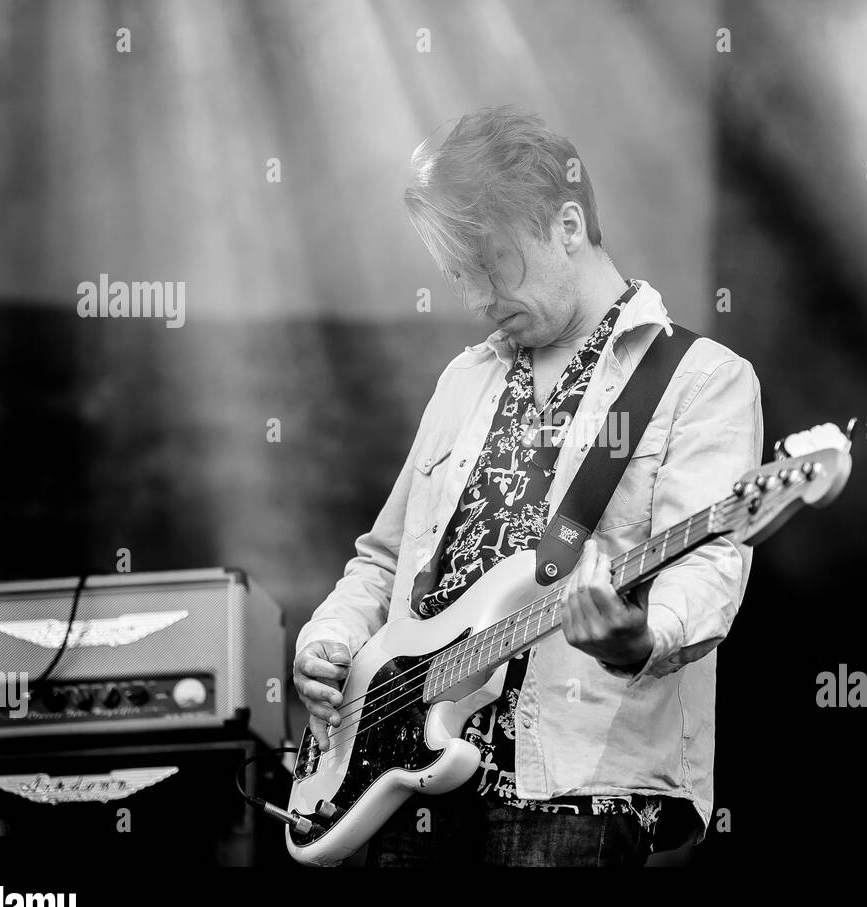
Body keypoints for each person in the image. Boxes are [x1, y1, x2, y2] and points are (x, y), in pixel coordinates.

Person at [293, 106, 762, 866]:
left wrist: (639, 636)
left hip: (569, 789)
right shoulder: (463, 381)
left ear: (566, 224)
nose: (476, 297)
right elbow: (381, 563)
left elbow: (705, 566)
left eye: (490, 264)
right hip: (405, 779)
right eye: (458, 276)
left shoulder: (699, 380)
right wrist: (329, 642)